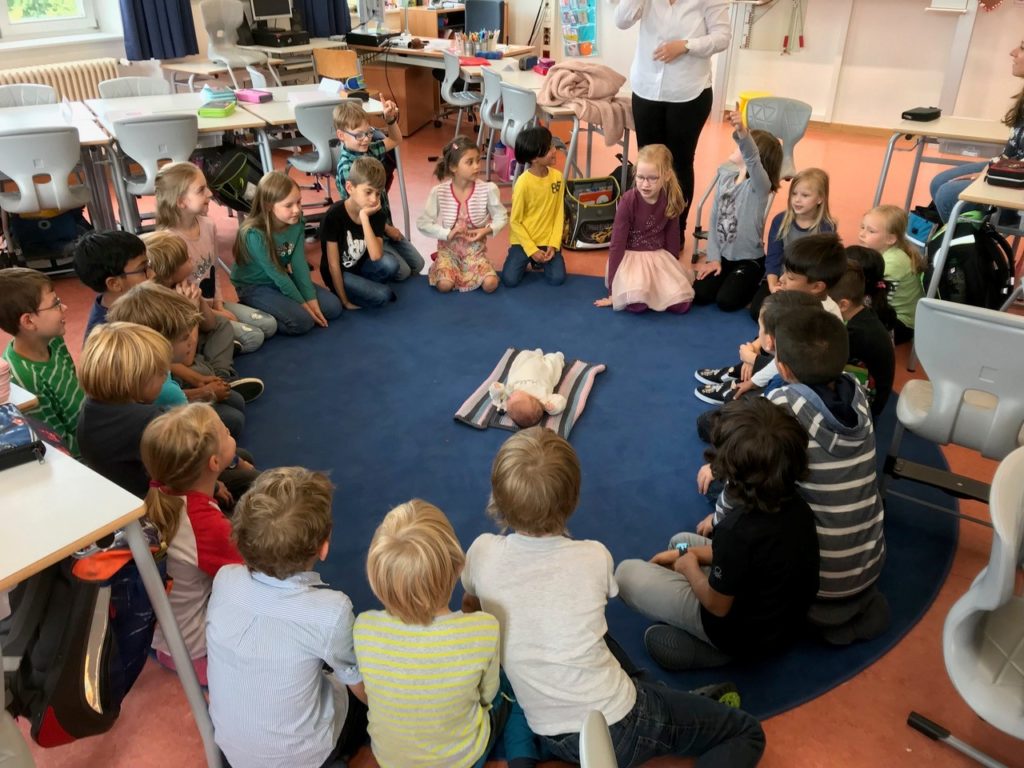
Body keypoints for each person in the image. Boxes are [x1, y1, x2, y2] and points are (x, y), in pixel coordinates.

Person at [461, 427, 766, 768]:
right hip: (620, 726)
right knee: (746, 733)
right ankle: (666, 703)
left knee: (597, 638)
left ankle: (664, 698)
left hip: (549, 729)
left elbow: (471, 611)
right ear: (572, 499)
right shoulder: (593, 556)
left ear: (498, 500)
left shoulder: (481, 553)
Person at [703, 308, 887, 613]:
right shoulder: (857, 394)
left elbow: (744, 476)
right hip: (869, 566)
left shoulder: (781, 406)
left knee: (725, 482)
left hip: (813, 582)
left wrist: (719, 521)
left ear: (783, 369)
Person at [616, 397, 819, 671]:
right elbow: (752, 558)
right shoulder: (798, 506)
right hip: (782, 619)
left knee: (626, 575)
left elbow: (717, 605)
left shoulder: (736, 529)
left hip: (741, 631)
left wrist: (688, 566)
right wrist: (684, 552)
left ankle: (719, 650)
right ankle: (717, 640)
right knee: (681, 541)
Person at [355, 499, 539, 768]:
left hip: (390, 760)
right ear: (456, 568)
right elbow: (488, 696)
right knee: (515, 683)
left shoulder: (363, 629)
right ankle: (523, 759)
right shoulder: (483, 630)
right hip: (464, 759)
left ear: (377, 580)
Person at [206, 467, 368, 768]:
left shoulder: (225, 579)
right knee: (357, 697)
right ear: (324, 546)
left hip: (230, 751)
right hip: (303, 757)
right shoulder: (331, 610)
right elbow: (359, 686)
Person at [76, 321, 256, 503]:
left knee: (238, 456)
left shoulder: (90, 407)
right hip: (154, 502)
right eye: (161, 373)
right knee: (250, 479)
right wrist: (216, 485)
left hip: (124, 492)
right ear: (136, 381)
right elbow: (186, 468)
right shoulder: (148, 420)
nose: (165, 378)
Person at [141, 403, 244, 687]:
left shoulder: (159, 497)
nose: (228, 431)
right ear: (214, 462)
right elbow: (257, 569)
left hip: (160, 636)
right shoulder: (206, 527)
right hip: (194, 651)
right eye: (225, 431)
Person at [613, 0, 730, 242]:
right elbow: (621, 21)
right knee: (648, 163)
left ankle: (676, 230)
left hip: (689, 92)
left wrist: (687, 45)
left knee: (680, 164)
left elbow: (723, 36)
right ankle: (646, 227)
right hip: (646, 89)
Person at [695, 233, 846, 405]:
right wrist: (754, 347)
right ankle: (739, 371)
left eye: (790, 277)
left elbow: (784, 364)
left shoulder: (814, 319)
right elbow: (771, 335)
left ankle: (741, 382)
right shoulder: (801, 301)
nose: (781, 279)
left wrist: (752, 376)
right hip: (783, 359)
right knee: (763, 339)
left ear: (817, 287)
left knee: (749, 400)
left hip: (799, 379)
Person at [154, 160, 277, 353]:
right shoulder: (169, 241)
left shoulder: (208, 225)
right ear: (180, 201)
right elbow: (177, 302)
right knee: (254, 337)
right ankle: (203, 344)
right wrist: (214, 315)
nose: (210, 194)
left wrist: (219, 305)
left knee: (269, 324)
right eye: (201, 190)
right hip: (192, 314)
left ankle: (218, 338)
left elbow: (213, 270)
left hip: (212, 304)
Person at [106, 282, 250, 440]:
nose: (191, 341)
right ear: (161, 343)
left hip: (167, 409)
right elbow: (178, 406)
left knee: (235, 401)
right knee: (234, 419)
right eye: (185, 337)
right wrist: (206, 393)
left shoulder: (148, 361)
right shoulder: (159, 384)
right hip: (168, 430)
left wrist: (198, 380)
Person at [230, 171, 343, 335]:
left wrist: (311, 299)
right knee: (303, 322)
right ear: (269, 206)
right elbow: (277, 274)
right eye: (288, 205)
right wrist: (305, 306)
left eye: (299, 202)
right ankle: (251, 307)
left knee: (333, 308)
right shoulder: (254, 234)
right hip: (254, 286)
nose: (297, 210)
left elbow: (299, 265)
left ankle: (283, 307)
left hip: (281, 279)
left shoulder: (296, 222)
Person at [693, 110, 782, 311]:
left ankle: (752, 282)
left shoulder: (759, 187)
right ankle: (727, 275)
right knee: (700, 294)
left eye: (741, 145)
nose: (737, 146)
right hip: (724, 257)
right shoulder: (725, 178)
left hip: (749, 260)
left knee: (727, 302)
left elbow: (752, 158)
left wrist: (742, 131)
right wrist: (713, 258)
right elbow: (714, 219)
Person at [929, 41, 1024, 222]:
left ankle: (968, 247)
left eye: (1022, 48)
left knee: (948, 194)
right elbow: (1010, 153)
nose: (1013, 52)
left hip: (1018, 189)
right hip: (1012, 169)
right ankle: (955, 243)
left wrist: (987, 177)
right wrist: (989, 170)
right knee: (939, 182)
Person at [593, 143, 695, 313]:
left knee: (681, 304)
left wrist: (672, 274)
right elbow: (617, 244)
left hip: (657, 258)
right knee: (637, 304)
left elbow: (672, 241)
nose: (645, 184)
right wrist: (614, 289)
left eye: (652, 178)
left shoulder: (670, 199)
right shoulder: (628, 201)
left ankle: (657, 290)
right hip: (631, 259)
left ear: (667, 175)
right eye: (640, 177)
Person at [334, 99, 425, 279]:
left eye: (368, 133)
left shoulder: (369, 150)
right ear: (341, 135)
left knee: (418, 264)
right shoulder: (347, 168)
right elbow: (362, 211)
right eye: (359, 135)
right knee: (403, 272)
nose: (366, 139)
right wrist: (388, 230)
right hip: (368, 231)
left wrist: (390, 120)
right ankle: (365, 268)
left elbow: (396, 139)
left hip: (384, 225)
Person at [0, 267, 85, 455]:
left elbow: (77, 386)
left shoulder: (53, 339)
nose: (64, 308)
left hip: (91, 423)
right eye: (56, 304)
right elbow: (59, 442)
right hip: (87, 453)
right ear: (29, 321)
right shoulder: (25, 379)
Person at [142, 230, 243, 386]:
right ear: (169, 274)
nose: (191, 258)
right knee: (201, 371)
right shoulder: (157, 303)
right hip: (177, 358)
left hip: (189, 344)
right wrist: (191, 309)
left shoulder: (180, 284)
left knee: (222, 324)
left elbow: (210, 324)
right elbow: (186, 359)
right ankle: (216, 373)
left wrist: (199, 300)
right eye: (185, 258)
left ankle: (221, 376)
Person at [417, 136, 507, 294]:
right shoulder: (439, 192)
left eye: (478, 160)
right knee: (444, 285)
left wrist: (486, 230)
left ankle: (479, 270)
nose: (477, 166)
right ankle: (440, 265)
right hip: (449, 252)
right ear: (453, 167)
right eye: (470, 162)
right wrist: (446, 233)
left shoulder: (488, 189)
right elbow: (423, 223)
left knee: (491, 284)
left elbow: (501, 217)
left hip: (475, 252)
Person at [749, 167, 837, 320]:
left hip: (805, 284)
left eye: (805, 195)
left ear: (820, 198)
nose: (797, 199)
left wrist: (799, 287)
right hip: (780, 278)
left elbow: (820, 268)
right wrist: (773, 285)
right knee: (758, 311)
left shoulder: (826, 228)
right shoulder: (780, 220)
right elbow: (773, 257)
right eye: (794, 194)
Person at [319, 156, 398, 308]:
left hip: (360, 267)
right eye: (368, 192)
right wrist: (344, 301)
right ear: (349, 188)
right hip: (340, 273)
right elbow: (333, 264)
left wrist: (364, 217)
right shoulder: (334, 215)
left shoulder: (376, 213)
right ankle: (348, 292)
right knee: (383, 295)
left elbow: (376, 255)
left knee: (391, 264)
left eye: (377, 193)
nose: (374, 200)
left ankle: (362, 288)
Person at [829, 260, 896, 418]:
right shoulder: (864, 314)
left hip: (865, 408)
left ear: (843, 304)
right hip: (871, 391)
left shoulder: (856, 334)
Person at [502, 126, 567, 288]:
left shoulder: (558, 178)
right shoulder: (523, 184)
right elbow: (515, 221)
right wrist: (531, 250)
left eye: (552, 146)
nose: (554, 151)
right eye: (548, 150)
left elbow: (559, 213)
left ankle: (537, 261)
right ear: (534, 159)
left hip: (547, 241)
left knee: (557, 279)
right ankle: (529, 258)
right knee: (509, 280)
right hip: (524, 241)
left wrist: (554, 244)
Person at [858, 205, 924, 345]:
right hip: (890, 312)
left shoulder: (892, 263)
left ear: (890, 239)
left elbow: (880, 302)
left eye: (871, 231)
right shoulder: (882, 252)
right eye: (862, 227)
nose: (862, 234)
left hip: (902, 322)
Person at [71, 230, 149, 341]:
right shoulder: (109, 337)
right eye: (143, 270)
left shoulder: (131, 302)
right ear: (114, 283)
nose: (153, 274)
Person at [488, 348, 567, 428]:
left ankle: (536, 353)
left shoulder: (510, 393)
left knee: (523, 357)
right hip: (543, 372)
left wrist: (496, 388)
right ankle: (558, 358)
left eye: (508, 400)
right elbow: (561, 400)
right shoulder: (543, 399)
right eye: (511, 399)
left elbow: (496, 396)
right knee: (553, 365)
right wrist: (554, 407)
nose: (509, 397)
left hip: (524, 368)